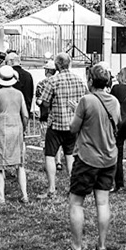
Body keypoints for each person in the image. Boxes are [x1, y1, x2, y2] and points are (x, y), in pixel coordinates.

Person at [58, 64, 120, 250]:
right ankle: (101, 247)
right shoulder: (115, 101)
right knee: (103, 203)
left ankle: (76, 248)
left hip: (87, 158)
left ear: (91, 81)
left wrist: (76, 111)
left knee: (76, 202)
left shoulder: (86, 100)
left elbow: (73, 128)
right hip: (109, 158)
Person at [39, 54, 86, 197]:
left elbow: (45, 102)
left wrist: (43, 103)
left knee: (50, 155)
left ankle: (52, 189)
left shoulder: (53, 81)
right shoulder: (79, 80)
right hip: (73, 124)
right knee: (70, 155)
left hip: (56, 124)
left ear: (57, 65)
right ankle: (73, 188)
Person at [0, 65, 33, 204]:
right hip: (17, 127)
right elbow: (25, 115)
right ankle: (24, 194)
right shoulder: (19, 94)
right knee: (20, 164)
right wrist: (24, 128)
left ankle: (1, 197)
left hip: (2, 128)